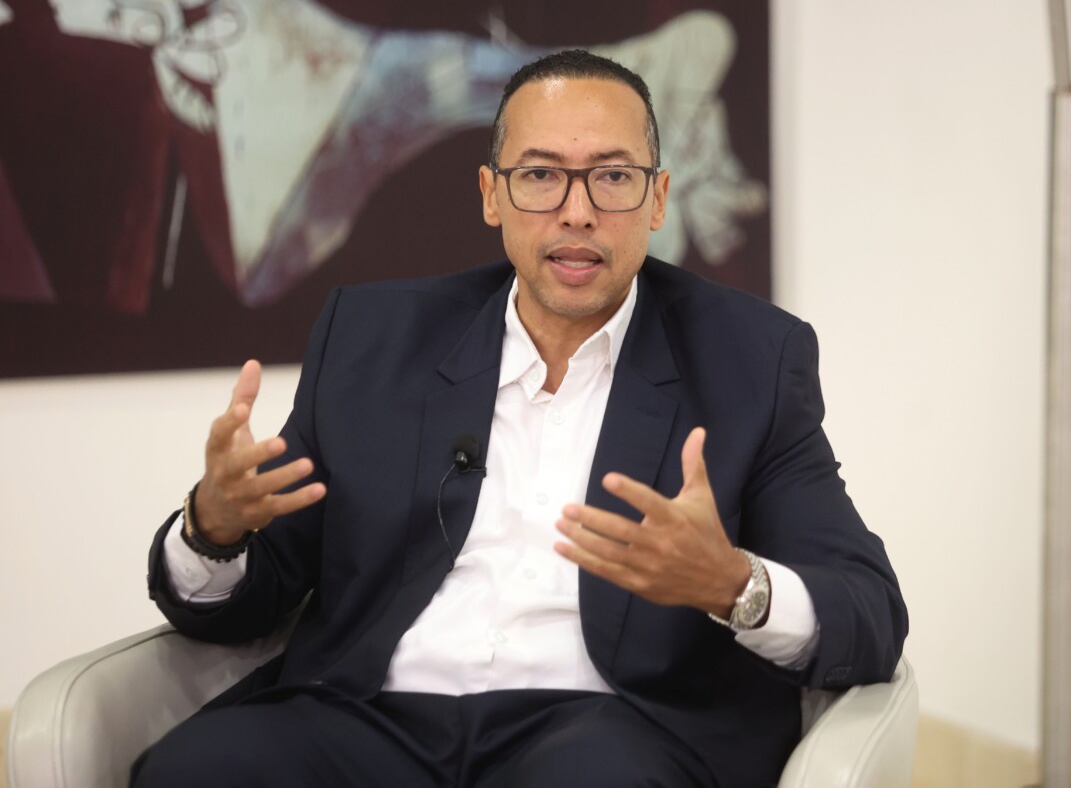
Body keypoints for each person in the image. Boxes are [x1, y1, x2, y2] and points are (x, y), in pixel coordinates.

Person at [135, 49, 907, 788]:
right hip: (370, 717)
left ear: (657, 198)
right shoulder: (374, 340)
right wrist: (213, 529)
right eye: (539, 175)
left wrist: (732, 584)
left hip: (608, 727)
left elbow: (868, 612)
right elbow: (254, 596)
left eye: (612, 177)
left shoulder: (751, 361)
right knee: (197, 770)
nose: (577, 212)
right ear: (491, 194)